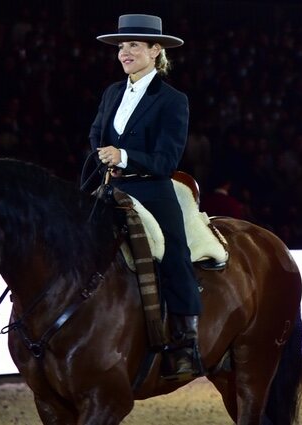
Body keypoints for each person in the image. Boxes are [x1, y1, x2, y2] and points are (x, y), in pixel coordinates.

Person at [89, 14, 203, 380]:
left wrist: (123, 156)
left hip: (152, 189)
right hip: (111, 186)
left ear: (156, 51)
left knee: (174, 252)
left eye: (134, 45)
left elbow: (167, 159)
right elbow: (96, 135)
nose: (125, 52)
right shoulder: (111, 92)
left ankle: (186, 341)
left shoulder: (173, 100)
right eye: (122, 46)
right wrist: (103, 159)